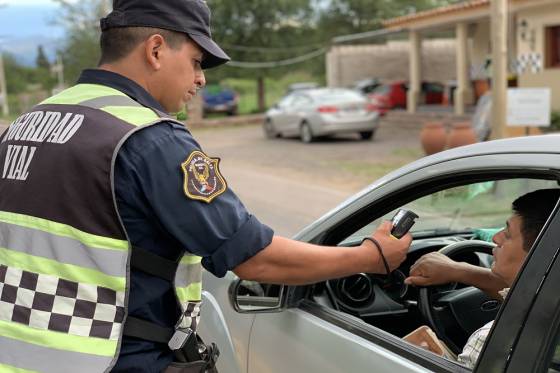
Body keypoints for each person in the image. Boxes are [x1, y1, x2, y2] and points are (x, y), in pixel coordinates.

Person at [0, 1, 412, 372]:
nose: (199, 80)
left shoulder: (27, 123)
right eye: (196, 61)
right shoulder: (149, 139)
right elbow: (256, 259)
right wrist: (370, 256)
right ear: (156, 50)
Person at [404, 188, 560, 368]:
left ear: (539, 256)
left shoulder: (492, 342)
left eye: (508, 234)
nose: (495, 237)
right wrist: (459, 271)